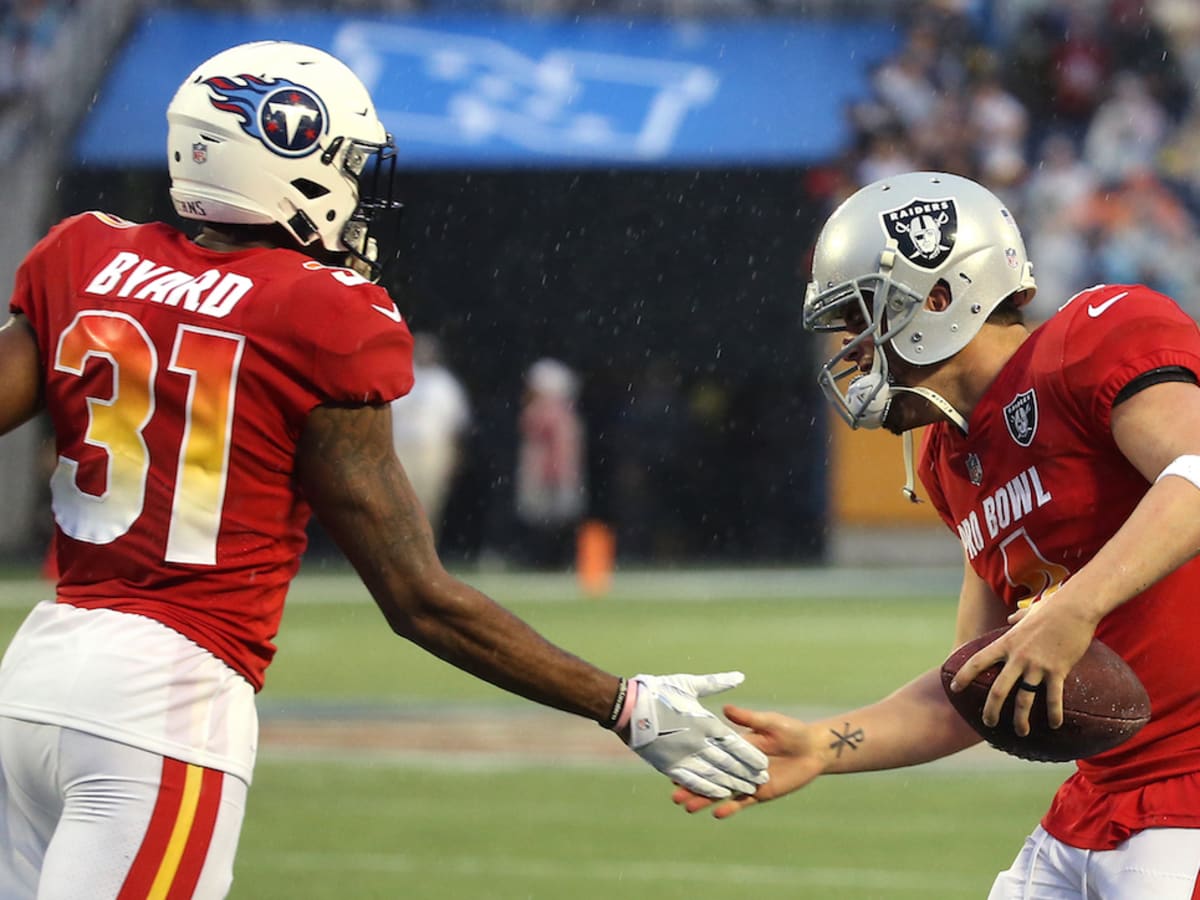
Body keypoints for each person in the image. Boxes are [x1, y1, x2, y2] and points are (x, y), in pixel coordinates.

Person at [0, 41, 767, 899]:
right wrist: (622, 703)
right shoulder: (318, 310)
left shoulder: (85, 254)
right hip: (167, 697)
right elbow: (418, 598)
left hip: (33, 678)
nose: (360, 190)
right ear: (289, 154)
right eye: (347, 164)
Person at [674, 170, 1200, 898]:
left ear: (941, 298)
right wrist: (825, 745)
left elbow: (1197, 470)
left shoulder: (1095, 334)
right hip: (1099, 803)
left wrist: (1074, 609)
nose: (854, 348)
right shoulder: (951, 457)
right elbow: (975, 683)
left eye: (865, 317)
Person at [389, 331, 471, 540]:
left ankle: (424, 548)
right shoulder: (399, 375)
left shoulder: (445, 383)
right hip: (400, 447)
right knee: (396, 499)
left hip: (432, 449)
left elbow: (455, 425)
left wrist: (454, 457)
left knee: (428, 501)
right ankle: (396, 547)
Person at [513, 357, 587, 568]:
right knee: (544, 519)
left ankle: (552, 560)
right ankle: (547, 560)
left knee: (555, 519)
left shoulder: (554, 412)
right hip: (547, 471)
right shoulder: (553, 412)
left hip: (554, 471)